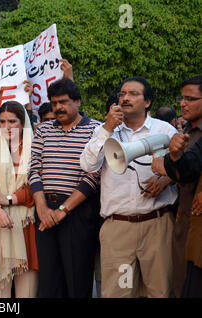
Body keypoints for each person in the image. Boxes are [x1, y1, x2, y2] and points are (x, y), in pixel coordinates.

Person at [80, 76, 178, 298]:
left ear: (148, 102)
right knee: (119, 292)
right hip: (118, 230)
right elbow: (87, 165)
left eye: (133, 94)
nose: (125, 98)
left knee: (160, 291)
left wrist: (166, 179)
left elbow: (183, 167)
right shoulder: (105, 131)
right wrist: (106, 128)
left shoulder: (165, 130)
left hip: (157, 225)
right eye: (122, 94)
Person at [28, 78, 101, 298]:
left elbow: (93, 176)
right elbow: (34, 170)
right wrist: (42, 209)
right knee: (49, 282)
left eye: (64, 102)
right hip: (45, 211)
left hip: (77, 212)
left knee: (77, 280)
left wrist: (63, 211)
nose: (58, 107)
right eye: (54, 103)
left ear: (78, 102)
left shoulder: (96, 129)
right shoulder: (43, 131)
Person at [0, 101, 39, 298]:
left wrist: (9, 199)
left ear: (22, 123)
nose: (7, 126)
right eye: (2, 121)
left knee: (27, 289)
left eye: (12, 121)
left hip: (26, 223)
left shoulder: (35, 146)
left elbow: (37, 185)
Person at [151, 75, 202, 297]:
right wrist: (171, 163)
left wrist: (169, 163)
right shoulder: (187, 133)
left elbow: (190, 167)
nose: (183, 103)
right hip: (187, 221)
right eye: (182, 98)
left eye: (190, 98)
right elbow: (188, 170)